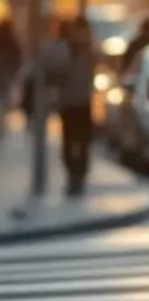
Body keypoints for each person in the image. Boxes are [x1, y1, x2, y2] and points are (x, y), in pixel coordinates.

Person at [49, 17, 97, 195]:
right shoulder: (64, 48)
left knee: (81, 141)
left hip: (81, 102)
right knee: (71, 141)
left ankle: (78, 174)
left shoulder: (88, 47)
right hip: (70, 102)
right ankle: (74, 174)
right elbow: (54, 71)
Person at [0, 18, 22, 138]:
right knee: (3, 100)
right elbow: (17, 60)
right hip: (6, 77)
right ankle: (1, 125)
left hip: (4, 76)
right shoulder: (11, 43)